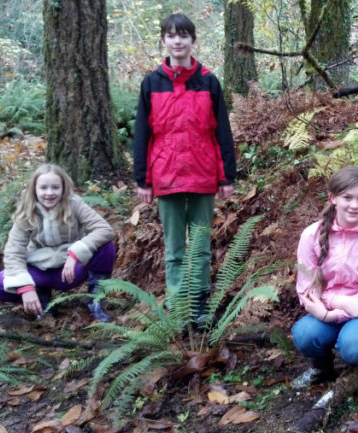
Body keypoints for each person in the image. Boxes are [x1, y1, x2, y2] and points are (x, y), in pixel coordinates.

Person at [133, 13, 236, 308]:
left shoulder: (208, 82)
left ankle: (200, 301)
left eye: (183, 35)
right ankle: (179, 303)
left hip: (203, 174)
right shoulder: (151, 83)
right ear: (164, 40)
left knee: (201, 246)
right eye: (171, 35)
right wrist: (143, 179)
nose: (177, 41)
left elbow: (222, 132)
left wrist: (226, 175)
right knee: (175, 248)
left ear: (192, 40)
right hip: (165, 175)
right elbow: (142, 134)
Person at [291, 166, 358, 387]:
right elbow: (306, 288)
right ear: (333, 198)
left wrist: (330, 315)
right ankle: (322, 369)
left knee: (354, 345)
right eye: (347, 197)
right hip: (331, 309)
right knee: (303, 333)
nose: (354, 205)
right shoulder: (310, 235)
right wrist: (340, 304)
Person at [0, 164, 116, 321]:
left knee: (106, 248)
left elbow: (104, 229)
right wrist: (25, 288)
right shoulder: (27, 211)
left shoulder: (74, 203)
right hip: (38, 271)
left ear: (63, 188)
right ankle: (40, 297)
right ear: (35, 189)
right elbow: (13, 251)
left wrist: (75, 254)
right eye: (43, 188)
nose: (49, 193)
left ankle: (96, 300)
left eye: (55, 187)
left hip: (70, 271)